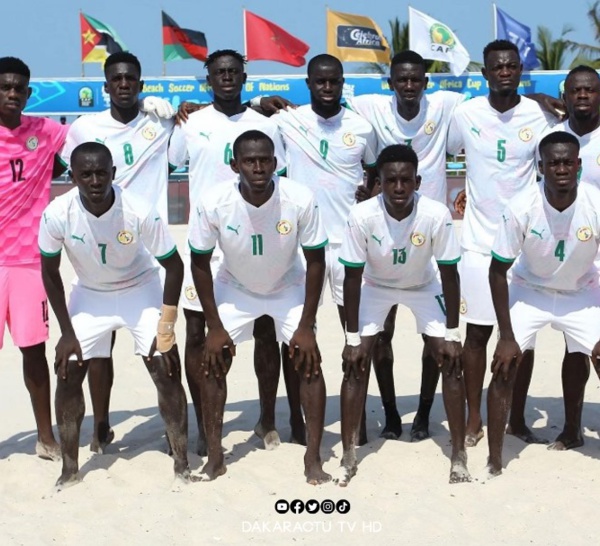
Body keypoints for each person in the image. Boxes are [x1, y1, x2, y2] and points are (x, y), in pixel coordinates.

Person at [39, 142, 190, 488]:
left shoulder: (138, 209)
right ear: (72, 177)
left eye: (101, 173)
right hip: (91, 294)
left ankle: (181, 461)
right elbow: (49, 272)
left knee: (166, 366)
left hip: (140, 287)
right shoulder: (57, 213)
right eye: (86, 174)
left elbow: (174, 266)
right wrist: (66, 332)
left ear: (113, 174)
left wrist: (166, 326)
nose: (94, 180)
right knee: (67, 369)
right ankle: (70, 467)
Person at [188, 130, 330, 484]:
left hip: (287, 286)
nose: (258, 167)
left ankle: (313, 458)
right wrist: (215, 325)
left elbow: (315, 262)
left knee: (309, 360)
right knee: (212, 361)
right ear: (234, 164)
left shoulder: (299, 198)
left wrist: (306, 324)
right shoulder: (213, 201)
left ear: (275, 163)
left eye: (264, 160)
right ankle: (216, 456)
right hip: (235, 286)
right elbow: (199, 264)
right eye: (249, 161)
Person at [169, 50, 287, 455]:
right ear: (208, 78)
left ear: (244, 76)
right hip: (206, 245)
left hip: (257, 241)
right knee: (196, 333)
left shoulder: (264, 123)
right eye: (219, 72)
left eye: (234, 72)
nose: (226, 78)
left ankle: (268, 419)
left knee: (266, 330)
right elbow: (168, 163)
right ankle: (205, 424)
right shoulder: (190, 122)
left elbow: (281, 176)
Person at [60, 51, 176, 454]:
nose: (124, 84)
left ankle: (173, 430)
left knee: (160, 353)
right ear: (106, 86)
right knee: (98, 348)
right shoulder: (84, 127)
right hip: (97, 248)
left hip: (147, 249)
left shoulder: (160, 121)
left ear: (140, 85)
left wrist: (174, 109)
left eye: (131, 79)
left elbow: (210, 119)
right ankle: (102, 425)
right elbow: (67, 171)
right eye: (116, 79)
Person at [336, 144, 469, 485]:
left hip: (424, 285)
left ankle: (458, 458)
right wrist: (352, 338)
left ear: (417, 181)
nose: (398, 188)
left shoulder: (436, 214)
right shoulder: (362, 215)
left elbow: (450, 273)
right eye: (390, 180)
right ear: (378, 181)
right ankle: (348, 456)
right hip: (375, 285)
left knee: (451, 357)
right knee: (355, 359)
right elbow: (352, 276)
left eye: (406, 181)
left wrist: (454, 334)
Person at [447, 39, 557, 447]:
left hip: (527, 246)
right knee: (478, 334)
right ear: (485, 73)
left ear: (519, 70)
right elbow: (434, 153)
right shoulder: (465, 113)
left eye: (512, 66)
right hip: (478, 242)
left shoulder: (539, 114)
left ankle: (516, 416)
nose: (505, 71)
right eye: (497, 67)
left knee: (522, 339)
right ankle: (474, 416)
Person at [271, 53, 378, 444]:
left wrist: (371, 194)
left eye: (334, 81)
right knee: (297, 336)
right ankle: (299, 425)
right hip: (304, 250)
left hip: (350, 247)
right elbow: (239, 117)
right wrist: (259, 101)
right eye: (320, 82)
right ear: (309, 83)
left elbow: (376, 170)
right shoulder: (288, 122)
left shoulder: (362, 127)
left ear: (342, 81)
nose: (328, 88)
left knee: (358, 334)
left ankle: (358, 423)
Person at [487, 131, 600, 476]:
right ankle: (494, 458)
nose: (561, 168)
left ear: (578, 165)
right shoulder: (521, 206)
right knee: (505, 362)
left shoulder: (595, 203)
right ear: (541, 167)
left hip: (581, 292)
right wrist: (506, 335)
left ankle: (573, 431)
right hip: (530, 289)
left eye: (568, 162)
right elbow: (496, 272)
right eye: (554, 163)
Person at [511, 66, 600, 451]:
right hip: (552, 242)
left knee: (580, 346)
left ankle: (572, 428)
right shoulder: (553, 134)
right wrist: (537, 98)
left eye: (590, 90)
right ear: (564, 95)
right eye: (575, 90)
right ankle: (515, 419)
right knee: (525, 341)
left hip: (592, 244)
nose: (583, 96)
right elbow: (514, 96)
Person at [0, 56, 68, 460]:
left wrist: (155, 109)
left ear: (28, 93)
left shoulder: (45, 132)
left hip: (28, 261)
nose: (11, 93)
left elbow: (99, 135)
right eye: (4, 86)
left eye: (18, 88)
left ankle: (46, 438)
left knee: (34, 352)